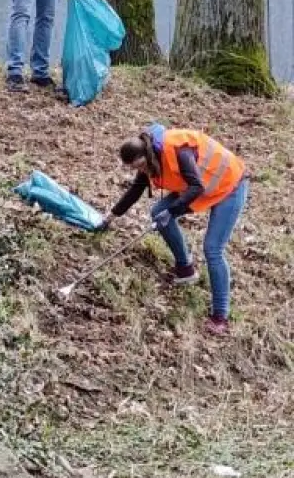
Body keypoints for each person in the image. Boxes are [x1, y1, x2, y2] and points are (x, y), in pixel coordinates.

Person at [100, 124, 248, 335]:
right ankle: (185, 269)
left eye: (140, 166)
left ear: (147, 154)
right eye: (135, 169)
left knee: (212, 249)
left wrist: (173, 211)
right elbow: (136, 190)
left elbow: (196, 186)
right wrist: (110, 217)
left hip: (229, 187)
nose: (141, 172)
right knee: (158, 212)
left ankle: (220, 317)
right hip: (202, 187)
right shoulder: (148, 159)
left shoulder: (179, 151)